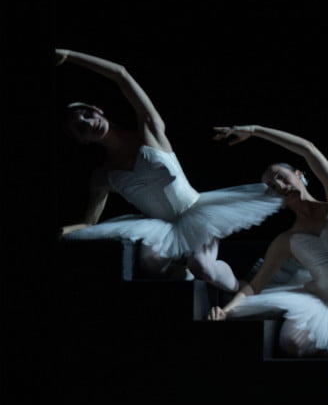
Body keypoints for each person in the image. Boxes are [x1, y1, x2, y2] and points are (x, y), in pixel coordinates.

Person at [56, 50, 281, 291]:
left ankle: (241, 289)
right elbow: (89, 223)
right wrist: (61, 231)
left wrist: (69, 56)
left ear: (97, 109)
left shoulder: (149, 129)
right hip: (161, 228)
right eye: (81, 128)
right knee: (150, 267)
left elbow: (121, 74)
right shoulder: (103, 176)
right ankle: (182, 273)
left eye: (88, 115)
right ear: (83, 141)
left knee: (202, 266)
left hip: (197, 212)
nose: (90, 123)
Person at [206, 125, 328, 383]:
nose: (277, 185)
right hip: (319, 299)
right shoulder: (287, 239)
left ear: (299, 174)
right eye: (270, 185)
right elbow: (256, 286)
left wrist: (255, 131)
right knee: (291, 344)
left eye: (280, 176)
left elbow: (308, 148)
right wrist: (226, 310)